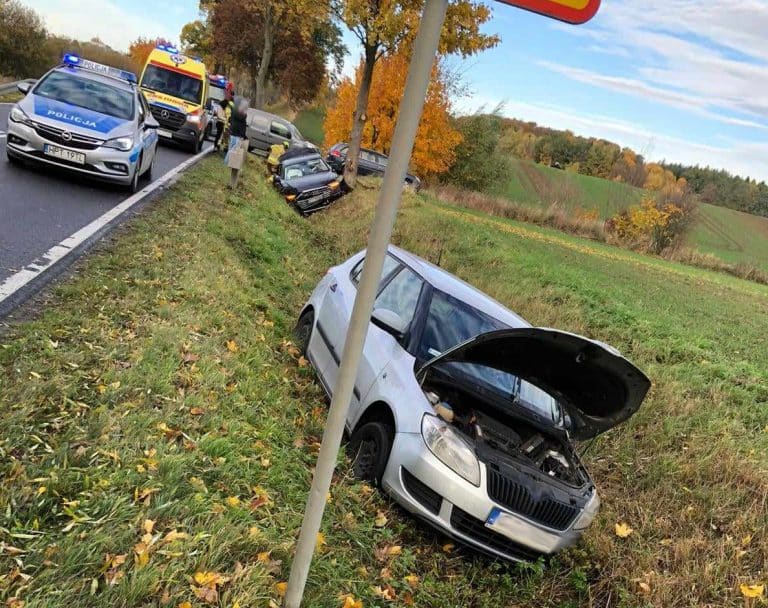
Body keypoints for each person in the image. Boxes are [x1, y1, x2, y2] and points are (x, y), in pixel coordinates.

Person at [225, 96, 249, 188]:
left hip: (236, 136)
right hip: (238, 138)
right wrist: (243, 137)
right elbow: (241, 126)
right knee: (236, 161)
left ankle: (232, 184)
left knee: (235, 162)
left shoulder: (236, 113)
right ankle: (232, 184)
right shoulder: (240, 115)